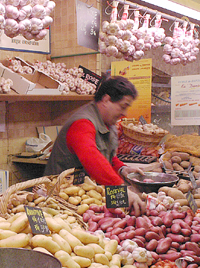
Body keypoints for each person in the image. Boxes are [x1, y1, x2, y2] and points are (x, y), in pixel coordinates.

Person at [45, 74, 147, 214]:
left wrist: (121, 168)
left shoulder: (107, 121)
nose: (124, 113)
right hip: (62, 199)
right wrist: (119, 187)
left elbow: (104, 154)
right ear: (106, 100)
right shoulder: (82, 123)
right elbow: (91, 156)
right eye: (123, 106)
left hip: (88, 195)